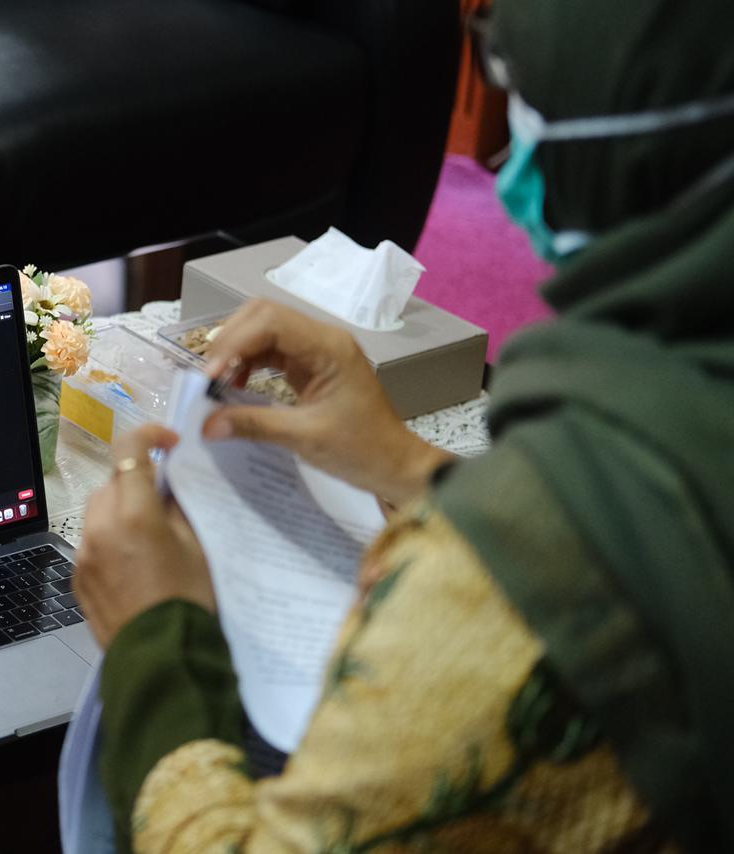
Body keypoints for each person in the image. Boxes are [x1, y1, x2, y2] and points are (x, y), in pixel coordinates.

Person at [74, 2, 734, 850]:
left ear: (623, 144)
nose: (510, 153)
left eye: (528, 86)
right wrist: (406, 464)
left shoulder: (514, 584)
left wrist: (156, 639)